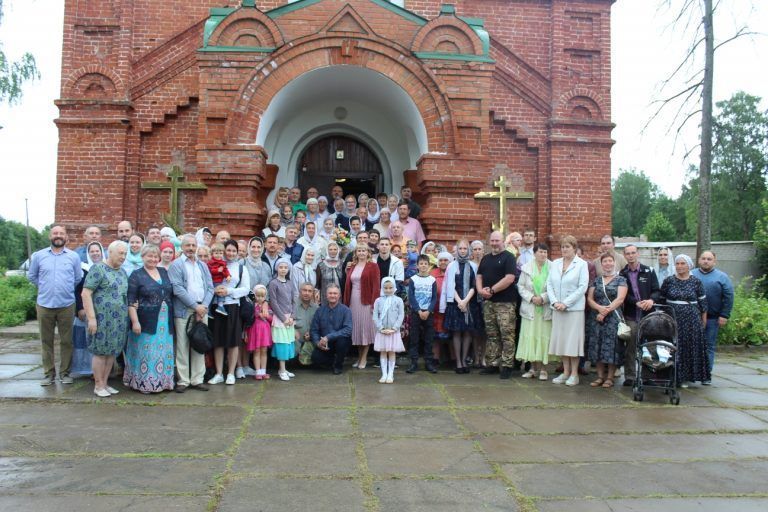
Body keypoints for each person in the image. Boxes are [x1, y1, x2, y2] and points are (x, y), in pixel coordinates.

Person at [28, 225, 83, 386]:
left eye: (61, 233)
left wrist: (63, 289)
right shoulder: (39, 256)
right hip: (44, 304)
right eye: (55, 233)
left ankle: (65, 373)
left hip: (66, 304)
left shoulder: (73, 257)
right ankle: (48, 374)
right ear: (50, 236)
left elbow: (77, 278)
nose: (58, 236)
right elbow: (32, 276)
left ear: (66, 237)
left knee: (67, 341)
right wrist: (46, 287)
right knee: (46, 340)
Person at [125, 244, 175, 393]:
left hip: (165, 321)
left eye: (155, 256)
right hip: (145, 321)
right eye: (149, 256)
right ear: (143, 257)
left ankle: (163, 382)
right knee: (146, 352)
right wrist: (135, 321)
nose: (153, 259)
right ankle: (145, 383)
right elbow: (131, 300)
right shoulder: (136, 275)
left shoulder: (163, 271)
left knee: (163, 352)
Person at [81, 240, 128, 397]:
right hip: (101, 320)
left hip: (118, 321)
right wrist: (91, 318)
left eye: (125, 254)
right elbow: (86, 293)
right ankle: (98, 385)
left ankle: (105, 383)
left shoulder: (122, 272)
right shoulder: (98, 269)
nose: (123, 256)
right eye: (121, 253)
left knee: (111, 353)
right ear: (111, 253)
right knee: (100, 352)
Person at [168, 234, 213, 393]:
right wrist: (195, 306)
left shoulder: (202, 265)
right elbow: (177, 288)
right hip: (184, 310)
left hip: (202, 309)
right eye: (188, 245)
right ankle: (183, 380)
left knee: (199, 343)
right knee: (182, 345)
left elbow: (210, 287)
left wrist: (204, 306)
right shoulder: (176, 265)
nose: (191, 249)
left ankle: (197, 379)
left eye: (193, 246)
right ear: (182, 247)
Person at [660, 254, 709, 387]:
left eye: (683, 264)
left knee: (688, 347)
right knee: (673, 346)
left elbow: (703, 304)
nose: (680, 266)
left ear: (689, 265)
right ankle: (673, 375)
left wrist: (703, 321)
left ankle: (686, 377)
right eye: (677, 264)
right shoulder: (669, 281)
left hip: (691, 319)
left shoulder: (696, 282)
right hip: (673, 318)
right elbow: (661, 299)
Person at [547, 235, 589, 386]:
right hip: (558, 309)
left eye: (567, 247)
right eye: (562, 247)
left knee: (572, 343)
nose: (564, 249)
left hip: (574, 310)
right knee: (562, 342)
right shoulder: (555, 263)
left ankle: (574, 374)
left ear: (574, 248)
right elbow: (549, 284)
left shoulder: (581, 264)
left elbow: (582, 287)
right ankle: (565, 372)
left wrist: (565, 303)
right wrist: (555, 302)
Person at [476, 231, 519, 379]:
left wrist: (492, 290)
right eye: (492, 240)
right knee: (492, 334)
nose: (494, 243)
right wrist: (480, 290)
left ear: (503, 242)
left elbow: (510, 278)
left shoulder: (509, 257)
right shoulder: (485, 259)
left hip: (505, 303)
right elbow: (479, 276)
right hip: (489, 303)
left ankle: (507, 365)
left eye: (497, 241)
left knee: (507, 335)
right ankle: (492, 364)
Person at [207, 240, 250, 385]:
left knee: (233, 341)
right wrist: (215, 290)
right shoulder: (215, 265)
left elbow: (245, 289)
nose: (230, 253)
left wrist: (229, 291)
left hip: (232, 306)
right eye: (228, 250)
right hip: (216, 306)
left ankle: (231, 373)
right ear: (224, 251)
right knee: (218, 341)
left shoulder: (241, 268)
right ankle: (219, 373)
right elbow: (207, 282)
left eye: (233, 251)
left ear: (237, 252)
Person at [619, 244, 660, 386]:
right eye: (628, 253)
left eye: (633, 253)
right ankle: (630, 376)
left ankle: (649, 376)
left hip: (648, 315)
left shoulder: (648, 271)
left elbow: (657, 290)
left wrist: (651, 300)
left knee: (649, 346)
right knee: (630, 346)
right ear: (624, 255)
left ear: (638, 254)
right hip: (631, 315)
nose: (631, 255)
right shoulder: (622, 274)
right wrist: (634, 302)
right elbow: (623, 295)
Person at [587, 253, 628, 389]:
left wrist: (604, 312)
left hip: (613, 318)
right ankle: (600, 376)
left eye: (610, 261)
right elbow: (590, 299)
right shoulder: (597, 280)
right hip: (596, 318)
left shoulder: (620, 280)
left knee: (612, 347)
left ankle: (610, 377)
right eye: (605, 261)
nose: (608, 264)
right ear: (602, 264)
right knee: (597, 346)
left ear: (614, 263)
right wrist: (599, 309)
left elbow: (620, 299)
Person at [692, 251, 734, 380]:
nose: (706, 261)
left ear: (714, 261)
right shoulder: (691, 274)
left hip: (713, 318)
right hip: (692, 318)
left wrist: (724, 315)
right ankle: (691, 374)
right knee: (692, 346)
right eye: (703, 258)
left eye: (709, 259)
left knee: (708, 347)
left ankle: (706, 375)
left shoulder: (722, 277)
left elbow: (729, 296)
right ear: (699, 260)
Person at [441, 239, 480, 374]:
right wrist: (459, 301)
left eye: (465, 249)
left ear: (468, 250)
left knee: (468, 332)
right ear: (457, 250)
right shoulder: (452, 266)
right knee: (457, 332)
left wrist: (466, 301)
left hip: (469, 302)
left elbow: (474, 285)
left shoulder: (473, 266)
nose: (462, 251)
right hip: (455, 302)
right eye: (460, 249)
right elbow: (450, 285)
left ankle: (464, 360)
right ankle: (458, 362)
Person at [516, 243, 552, 380]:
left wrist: (543, 298)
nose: (543, 254)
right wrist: (531, 298)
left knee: (543, 338)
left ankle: (543, 369)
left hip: (545, 309)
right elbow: (521, 286)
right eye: (541, 252)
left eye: (545, 252)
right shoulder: (526, 268)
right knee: (531, 337)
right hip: (530, 308)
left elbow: (555, 287)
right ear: (535, 253)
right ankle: (532, 368)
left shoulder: (553, 267)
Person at [343, 245, 380, 369]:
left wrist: (374, 303)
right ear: (356, 253)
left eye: (364, 250)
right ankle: (359, 357)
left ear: (368, 252)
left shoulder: (373, 266)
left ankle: (364, 358)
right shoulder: (352, 266)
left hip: (366, 300)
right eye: (359, 250)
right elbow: (348, 285)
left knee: (365, 328)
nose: (361, 252)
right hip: (353, 300)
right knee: (357, 330)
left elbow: (376, 286)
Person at [72, 241, 104, 377]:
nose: (95, 253)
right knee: (85, 340)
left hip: (102, 310)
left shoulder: (106, 267)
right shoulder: (82, 268)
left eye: (98, 251)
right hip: (85, 309)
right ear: (88, 253)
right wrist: (79, 308)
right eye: (92, 251)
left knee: (99, 340)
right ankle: (87, 368)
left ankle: (99, 370)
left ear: (102, 252)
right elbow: (78, 290)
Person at [311, 285, 353, 375]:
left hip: (340, 341)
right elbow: (314, 329)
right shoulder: (320, 310)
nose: (332, 295)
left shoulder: (346, 310)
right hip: (325, 344)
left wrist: (328, 337)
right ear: (326, 295)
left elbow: (348, 329)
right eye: (330, 293)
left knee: (342, 342)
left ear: (339, 295)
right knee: (315, 358)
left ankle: (338, 365)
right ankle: (334, 360)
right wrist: (317, 343)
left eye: (335, 293)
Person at [406, 255, 438, 373]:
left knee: (429, 338)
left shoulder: (432, 280)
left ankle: (428, 362)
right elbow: (411, 296)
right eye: (421, 263)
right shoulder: (413, 279)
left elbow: (434, 297)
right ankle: (414, 362)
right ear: (417, 265)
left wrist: (428, 311)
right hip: (416, 312)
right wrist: (419, 310)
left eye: (425, 263)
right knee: (414, 337)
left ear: (429, 265)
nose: (423, 266)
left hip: (428, 313)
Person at [269, 258, 297, 381]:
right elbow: (273, 302)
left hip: (289, 318)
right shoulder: (273, 283)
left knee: (289, 342)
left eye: (285, 267)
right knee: (282, 344)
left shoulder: (290, 283)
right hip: (280, 319)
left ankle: (285, 369)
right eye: (281, 267)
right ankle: (281, 369)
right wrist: (283, 318)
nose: (283, 269)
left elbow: (293, 300)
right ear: (277, 268)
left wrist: (292, 316)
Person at [373, 277, 406, 383]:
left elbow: (401, 315)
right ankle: (384, 374)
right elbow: (375, 316)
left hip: (393, 332)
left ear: (394, 287)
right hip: (382, 331)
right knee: (383, 352)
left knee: (391, 352)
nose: (388, 290)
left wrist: (394, 328)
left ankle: (390, 374)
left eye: (390, 288)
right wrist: (381, 328)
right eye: (385, 288)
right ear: (382, 288)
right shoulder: (378, 300)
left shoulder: (398, 300)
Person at [247, 285, 273, 380]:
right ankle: (257, 371)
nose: (260, 298)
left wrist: (267, 316)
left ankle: (263, 371)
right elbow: (250, 317)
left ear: (265, 297)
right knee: (256, 351)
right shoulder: (252, 306)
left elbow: (271, 318)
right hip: (255, 330)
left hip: (265, 331)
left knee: (264, 351)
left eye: (262, 296)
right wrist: (258, 314)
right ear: (254, 295)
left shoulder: (267, 306)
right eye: (258, 296)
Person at [431, 251, 453, 363]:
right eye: (441, 260)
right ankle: (435, 358)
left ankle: (453, 359)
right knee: (435, 335)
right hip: (435, 309)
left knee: (451, 336)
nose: (443, 262)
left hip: (450, 310)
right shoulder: (432, 273)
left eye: (446, 260)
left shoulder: (454, 272)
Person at [294, 282, 319, 366]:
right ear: (300, 291)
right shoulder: (292, 306)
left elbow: (319, 326)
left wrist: (311, 333)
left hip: (311, 341)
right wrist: (293, 330)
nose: (307, 293)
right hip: (295, 341)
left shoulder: (316, 308)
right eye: (304, 290)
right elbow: (285, 323)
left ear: (313, 293)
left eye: (309, 291)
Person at [206, 243, 231, 317]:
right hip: (213, 281)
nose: (218, 255)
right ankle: (218, 307)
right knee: (213, 295)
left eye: (220, 253)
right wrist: (217, 270)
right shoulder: (211, 262)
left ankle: (220, 306)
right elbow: (210, 270)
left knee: (219, 292)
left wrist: (228, 275)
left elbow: (226, 270)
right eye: (216, 253)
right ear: (212, 253)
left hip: (219, 281)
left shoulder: (223, 263)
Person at [317, 241, 344, 305]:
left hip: (339, 296)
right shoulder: (321, 265)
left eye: (335, 249)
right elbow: (318, 283)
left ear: (338, 251)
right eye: (330, 249)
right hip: (325, 296)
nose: (333, 251)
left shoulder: (342, 264)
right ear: (327, 251)